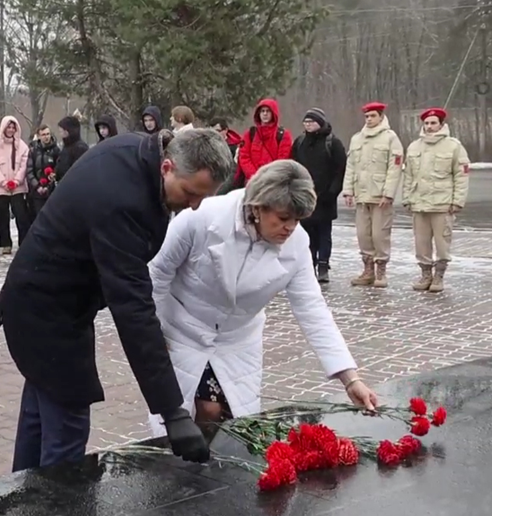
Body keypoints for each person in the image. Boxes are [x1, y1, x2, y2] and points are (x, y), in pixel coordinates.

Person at [0, 128, 235, 471]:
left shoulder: (137, 153)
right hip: (47, 313)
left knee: (40, 418)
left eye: (203, 197)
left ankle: (21, 501)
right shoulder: (122, 201)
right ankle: (54, 507)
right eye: (190, 192)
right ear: (167, 166)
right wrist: (173, 411)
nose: (194, 205)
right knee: (66, 430)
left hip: (46, 302)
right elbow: (133, 307)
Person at [146, 160, 378, 439]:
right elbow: (157, 273)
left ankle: (213, 475)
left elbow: (312, 308)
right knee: (200, 413)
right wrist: (154, 333)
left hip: (237, 339)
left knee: (231, 424)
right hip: (183, 331)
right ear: (257, 207)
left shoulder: (297, 243)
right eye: (282, 218)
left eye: (297, 219)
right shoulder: (201, 218)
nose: (290, 227)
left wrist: (350, 378)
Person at [402, 107, 470, 293]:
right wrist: (407, 198)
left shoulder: (453, 146)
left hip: (442, 204)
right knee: (421, 243)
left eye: (433, 123)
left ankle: (439, 276)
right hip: (420, 203)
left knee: (442, 243)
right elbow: (408, 175)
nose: (430, 127)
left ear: (441, 125)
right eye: (427, 123)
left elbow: (461, 175)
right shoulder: (415, 146)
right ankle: (426, 274)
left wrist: (457, 201)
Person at [343, 101, 404, 288]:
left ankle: (381, 271)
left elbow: (395, 168)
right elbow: (351, 166)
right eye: (367, 116)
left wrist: (388, 194)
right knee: (363, 235)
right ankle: (367, 270)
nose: (369, 119)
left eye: (373, 116)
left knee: (380, 235)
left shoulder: (390, 138)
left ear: (381, 116)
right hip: (362, 195)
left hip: (380, 197)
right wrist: (348, 191)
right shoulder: (357, 139)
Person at [291, 107, 346, 283]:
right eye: (306, 122)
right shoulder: (300, 142)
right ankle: (309, 264)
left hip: (325, 197)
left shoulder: (333, 143)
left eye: (312, 122)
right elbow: (293, 166)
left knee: (324, 233)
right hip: (305, 196)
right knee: (307, 234)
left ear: (320, 123)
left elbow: (340, 169)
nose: (308, 125)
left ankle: (323, 265)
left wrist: (332, 192)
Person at [0, 115, 31, 254]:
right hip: (1, 188)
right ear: (3, 128)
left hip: (17, 187)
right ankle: (6, 244)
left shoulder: (22, 146)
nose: (11, 130)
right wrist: (3, 182)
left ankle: (23, 242)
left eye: (13, 127)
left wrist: (16, 181)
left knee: (21, 215)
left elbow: (24, 165)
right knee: (3, 216)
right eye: (9, 127)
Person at [25, 124, 61, 219]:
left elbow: (58, 168)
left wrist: (49, 185)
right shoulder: (33, 151)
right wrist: (37, 186)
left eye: (48, 134)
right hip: (36, 191)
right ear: (39, 136)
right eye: (44, 134)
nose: (46, 137)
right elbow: (29, 171)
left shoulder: (56, 150)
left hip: (52, 191)